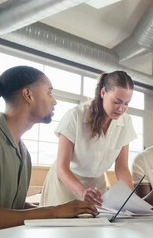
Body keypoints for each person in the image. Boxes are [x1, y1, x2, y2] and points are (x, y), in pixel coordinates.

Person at [0, 66, 98, 236]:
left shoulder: (23, 152)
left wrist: (63, 213)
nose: (54, 101)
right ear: (28, 95)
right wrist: (54, 212)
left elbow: (14, 208)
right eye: (49, 93)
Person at [41, 71, 136, 207]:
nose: (121, 109)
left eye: (127, 104)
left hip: (95, 186)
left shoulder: (126, 122)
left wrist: (130, 199)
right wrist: (82, 191)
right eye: (117, 102)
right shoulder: (75, 116)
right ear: (103, 93)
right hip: (66, 183)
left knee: (96, 226)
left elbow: (122, 167)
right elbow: (62, 167)